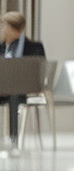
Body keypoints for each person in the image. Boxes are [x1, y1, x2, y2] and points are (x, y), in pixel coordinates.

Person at [1, 12, 46, 148]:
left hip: (23, 90)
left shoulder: (35, 47)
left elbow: (39, 72)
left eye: (4, 26)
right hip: (2, 89)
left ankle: (13, 139)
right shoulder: (1, 48)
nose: (2, 29)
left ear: (14, 29)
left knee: (14, 96)